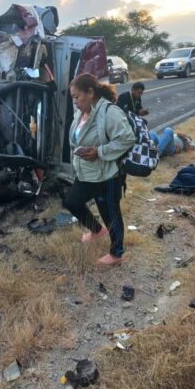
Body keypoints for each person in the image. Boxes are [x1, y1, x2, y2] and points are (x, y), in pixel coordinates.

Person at [63, 73, 137, 265]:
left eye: (77, 96)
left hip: (107, 175)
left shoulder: (110, 112)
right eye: (73, 98)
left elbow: (127, 138)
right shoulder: (80, 113)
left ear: (90, 92)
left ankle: (116, 254)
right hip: (86, 173)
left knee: (110, 214)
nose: (75, 102)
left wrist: (100, 152)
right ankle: (97, 230)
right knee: (71, 202)